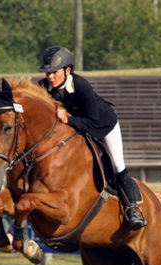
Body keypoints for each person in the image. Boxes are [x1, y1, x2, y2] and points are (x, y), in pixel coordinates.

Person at [37, 45, 147, 231]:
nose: (50, 77)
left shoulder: (81, 86)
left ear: (67, 70)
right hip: (76, 128)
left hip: (103, 126)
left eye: (54, 72)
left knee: (117, 165)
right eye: (48, 73)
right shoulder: (44, 86)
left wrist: (69, 119)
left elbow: (93, 122)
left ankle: (132, 210)